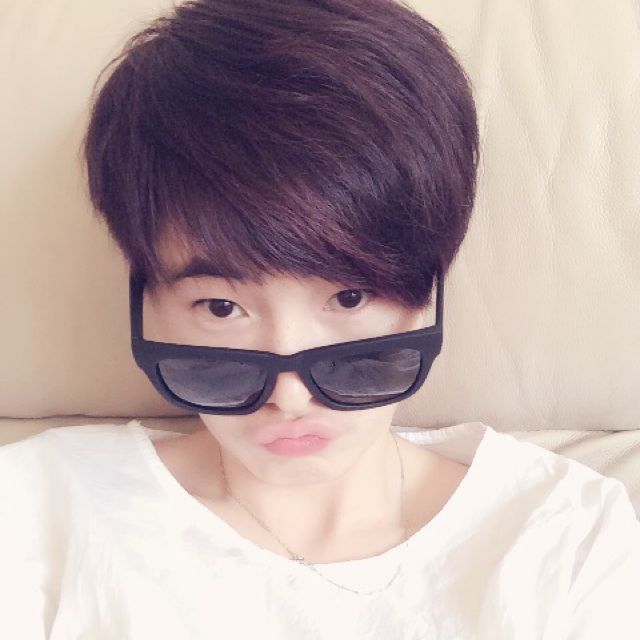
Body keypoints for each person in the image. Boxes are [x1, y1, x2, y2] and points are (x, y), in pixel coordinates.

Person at [1, 0, 639, 638]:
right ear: (148, 301)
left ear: (428, 289)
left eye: (350, 298)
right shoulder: (37, 511)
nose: (289, 396)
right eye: (221, 307)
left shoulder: (565, 535)